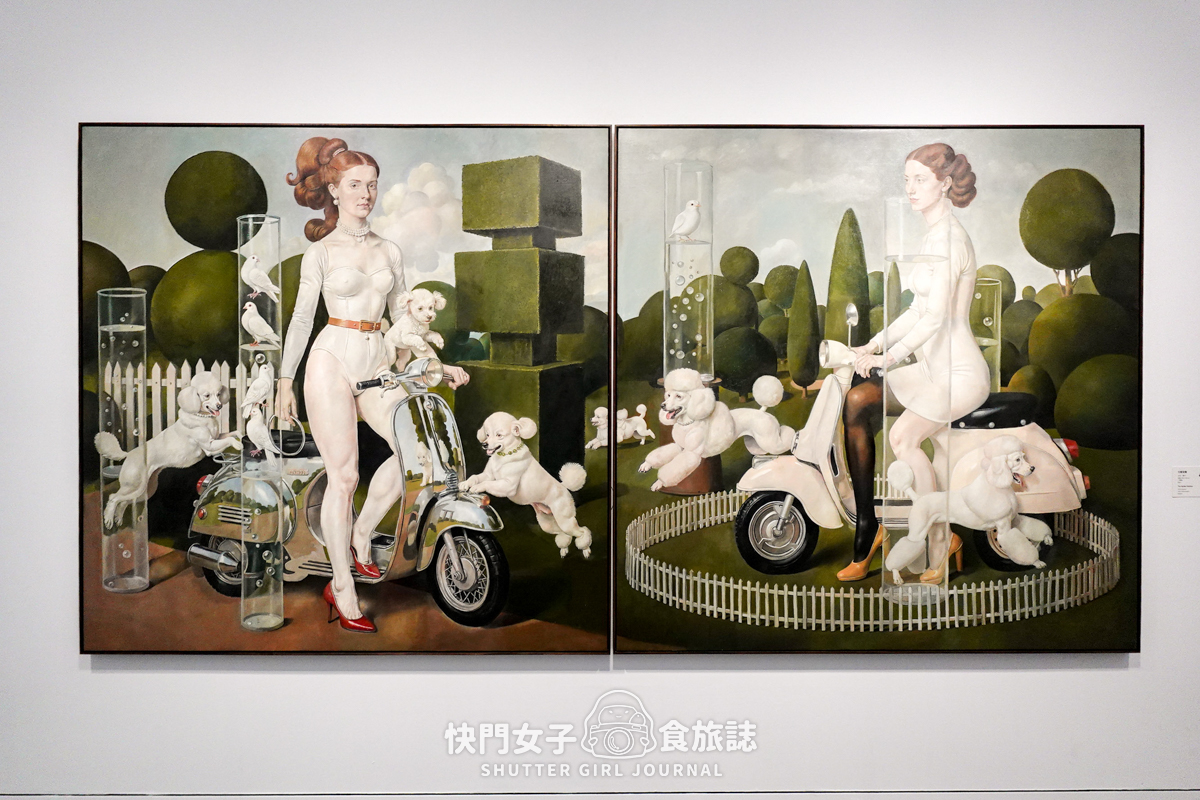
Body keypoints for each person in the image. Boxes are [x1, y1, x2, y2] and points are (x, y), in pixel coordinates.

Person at [276, 137, 469, 631]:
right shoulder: (319, 253)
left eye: (372, 185)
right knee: (344, 477)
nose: (366, 194)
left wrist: (435, 364)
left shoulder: (390, 250)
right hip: (331, 362)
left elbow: (407, 320)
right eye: (355, 185)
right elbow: (301, 322)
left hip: (378, 362)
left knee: (418, 457)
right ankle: (341, 586)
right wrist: (284, 380)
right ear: (334, 191)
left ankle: (362, 534)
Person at [837, 143, 989, 583]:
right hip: (930, 371)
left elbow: (937, 318)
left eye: (920, 179)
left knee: (902, 439)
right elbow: (916, 310)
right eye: (907, 179)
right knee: (857, 402)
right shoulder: (931, 235)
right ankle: (869, 525)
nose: (910, 188)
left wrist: (888, 358)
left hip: (958, 374)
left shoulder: (951, 239)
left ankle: (939, 539)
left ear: (945, 183)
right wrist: (872, 345)